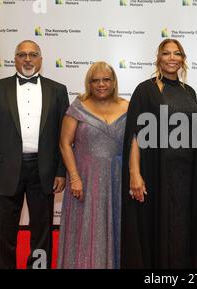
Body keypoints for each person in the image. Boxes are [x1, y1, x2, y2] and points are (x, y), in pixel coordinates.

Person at [0, 40, 69, 269]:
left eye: (33, 54)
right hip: (3, 171)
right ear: (15, 59)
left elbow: (63, 136)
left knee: (42, 231)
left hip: (44, 169)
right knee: (3, 231)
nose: (28, 59)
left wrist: (61, 171)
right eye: (22, 55)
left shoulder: (57, 90)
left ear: (40, 59)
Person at [121, 39, 197, 268]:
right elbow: (135, 134)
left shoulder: (188, 91)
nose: (172, 58)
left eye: (177, 53)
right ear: (158, 58)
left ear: (183, 59)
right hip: (157, 172)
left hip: (187, 175)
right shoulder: (146, 90)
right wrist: (134, 173)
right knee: (160, 227)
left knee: (183, 227)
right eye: (166, 53)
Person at [57, 62, 128, 269]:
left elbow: (135, 142)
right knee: (86, 226)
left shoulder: (127, 106)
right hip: (85, 179)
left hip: (117, 178)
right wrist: (75, 177)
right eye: (95, 80)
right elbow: (64, 144)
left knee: (116, 223)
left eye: (106, 79)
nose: (101, 84)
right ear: (89, 83)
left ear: (114, 82)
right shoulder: (78, 106)